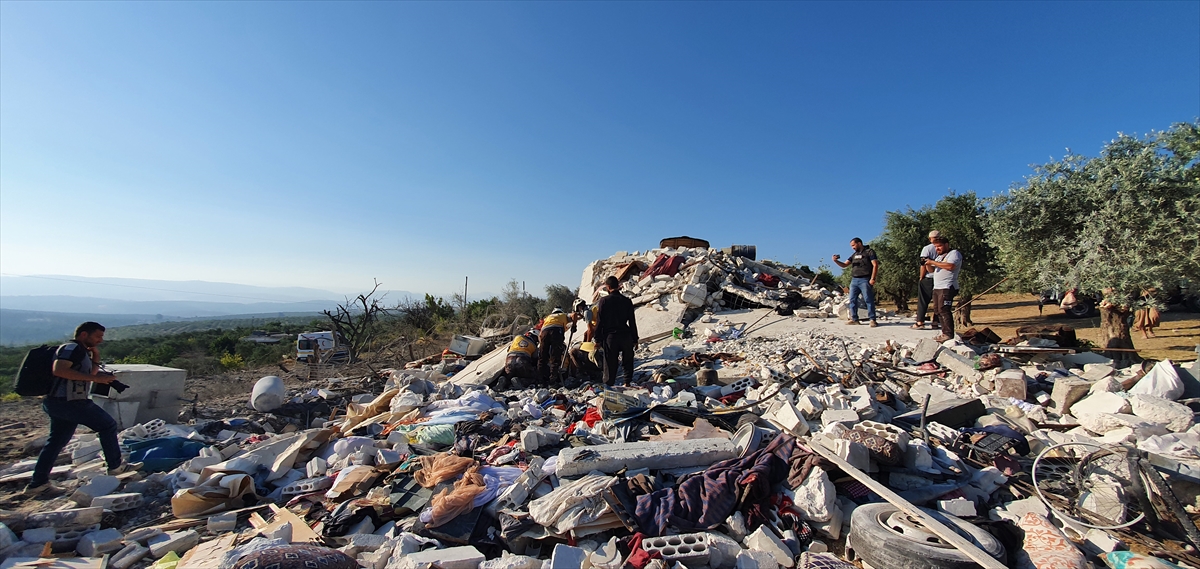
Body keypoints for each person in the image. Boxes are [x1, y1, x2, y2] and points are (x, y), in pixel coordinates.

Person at [27, 322, 140, 495]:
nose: (100, 340)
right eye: (97, 337)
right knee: (107, 425)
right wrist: (95, 380)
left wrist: (95, 356)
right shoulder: (71, 348)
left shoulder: (80, 351)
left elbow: (91, 374)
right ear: (84, 335)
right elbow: (59, 370)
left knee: (56, 442)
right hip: (70, 401)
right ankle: (116, 466)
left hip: (60, 403)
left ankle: (37, 483)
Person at [593, 275, 639, 385]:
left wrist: (597, 339)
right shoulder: (627, 301)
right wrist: (635, 339)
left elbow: (600, 322)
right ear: (618, 286)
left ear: (608, 287)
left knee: (610, 364)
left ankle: (609, 386)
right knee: (627, 361)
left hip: (610, 337)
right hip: (625, 336)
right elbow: (632, 322)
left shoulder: (604, 301)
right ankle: (627, 383)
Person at [833, 238, 879, 327]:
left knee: (868, 300)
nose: (852, 247)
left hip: (865, 279)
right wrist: (836, 261)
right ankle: (854, 319)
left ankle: (872, 319)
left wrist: (873, 278)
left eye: (853, 245)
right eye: (851, 246)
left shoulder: (869, 252)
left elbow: (875, 265)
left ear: (859, 243)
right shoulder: (854, 255)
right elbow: (845, 265)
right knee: (852, 300)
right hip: (854, 280)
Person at [924, 238, 963, 342]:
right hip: (937, 287)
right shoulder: (939, 257)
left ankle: (949, 334)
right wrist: (927, 264)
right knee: (938, 311)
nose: (937, 249)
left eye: (939, 246)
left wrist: (933, 262)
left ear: (946, 244)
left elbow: (950, 266)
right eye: (936, 247)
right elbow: (932, 270)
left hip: (947, 286)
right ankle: (944, 333)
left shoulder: (954, 253)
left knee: (944, 309)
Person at [913, 230, 941, 329]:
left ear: (930, 238)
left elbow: (923, 264)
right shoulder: (945, 248)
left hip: (929, 277)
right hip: (940, 278)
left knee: (923, 300)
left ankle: (920, 322)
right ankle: (936, 322)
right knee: (938, 301)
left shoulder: (927, 248)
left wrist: (921, 277)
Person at [537, 308, 570, 384]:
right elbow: (574, 315)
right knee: (555, 356)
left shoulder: (548, 318)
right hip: (556, 331)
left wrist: (542, 344)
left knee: (542, 357)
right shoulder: (563, 315)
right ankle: (553, 380)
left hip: (544, 333)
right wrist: (574, 325)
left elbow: (540, 334)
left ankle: (540, 381)